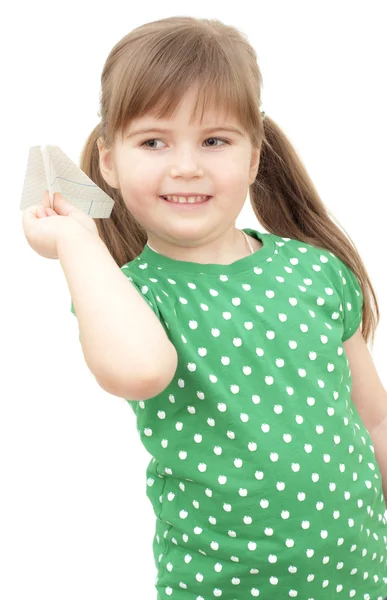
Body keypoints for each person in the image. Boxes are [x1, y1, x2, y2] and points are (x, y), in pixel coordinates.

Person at [21, 15, 387, 600]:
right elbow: (139, 371)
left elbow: (374, 420)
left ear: (254, 156)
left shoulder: (316, 269)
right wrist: (76, 241)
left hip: (362, 579)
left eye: (214, 140)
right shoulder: (129, 294)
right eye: (153, 142)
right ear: (110, 162)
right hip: (219, 588)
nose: (186, 165)